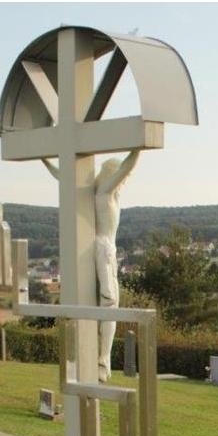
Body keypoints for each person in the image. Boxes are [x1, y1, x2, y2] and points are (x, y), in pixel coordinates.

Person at [42, 151, 139, 381]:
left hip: (97, 250)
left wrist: (44, 159)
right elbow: (128, 166)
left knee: (104, 304)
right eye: (123, 178)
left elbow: (63, 176)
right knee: (110, 304)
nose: (125, 181)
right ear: (112, 174)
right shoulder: (105, 192)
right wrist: (139, 149)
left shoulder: (93, 194)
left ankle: (101, 359)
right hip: (104, 250)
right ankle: (103, 361)